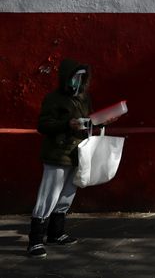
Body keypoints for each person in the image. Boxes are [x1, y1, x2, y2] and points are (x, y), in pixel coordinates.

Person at [27, 59, 92, 258]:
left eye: (81, 77)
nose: (77, 81)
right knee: (48, 196)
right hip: (57, 153)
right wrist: (67, 124)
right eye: (74, 77)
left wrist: (97, 122)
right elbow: (43, 125)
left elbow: (86, 122)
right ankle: (35, 240)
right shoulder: (53, 98)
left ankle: (56, 233)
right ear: (66, 78)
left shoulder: (83, 98)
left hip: (77, 152)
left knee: (67, 195)